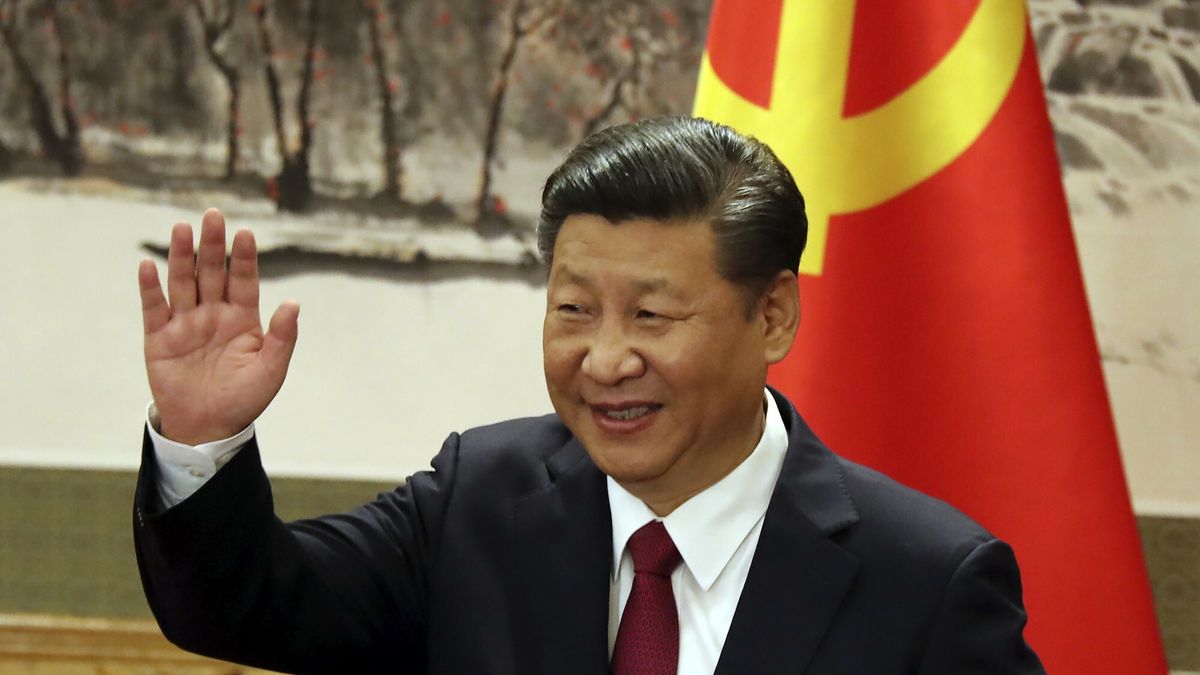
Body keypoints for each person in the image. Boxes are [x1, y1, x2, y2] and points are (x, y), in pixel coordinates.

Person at [133, 116, 1045, 674]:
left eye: (652, 315)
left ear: (771, 315)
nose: (604, 359)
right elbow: (244, 602)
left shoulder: (926, 582)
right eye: (573, 309)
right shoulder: (478, 500)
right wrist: (200, 438)